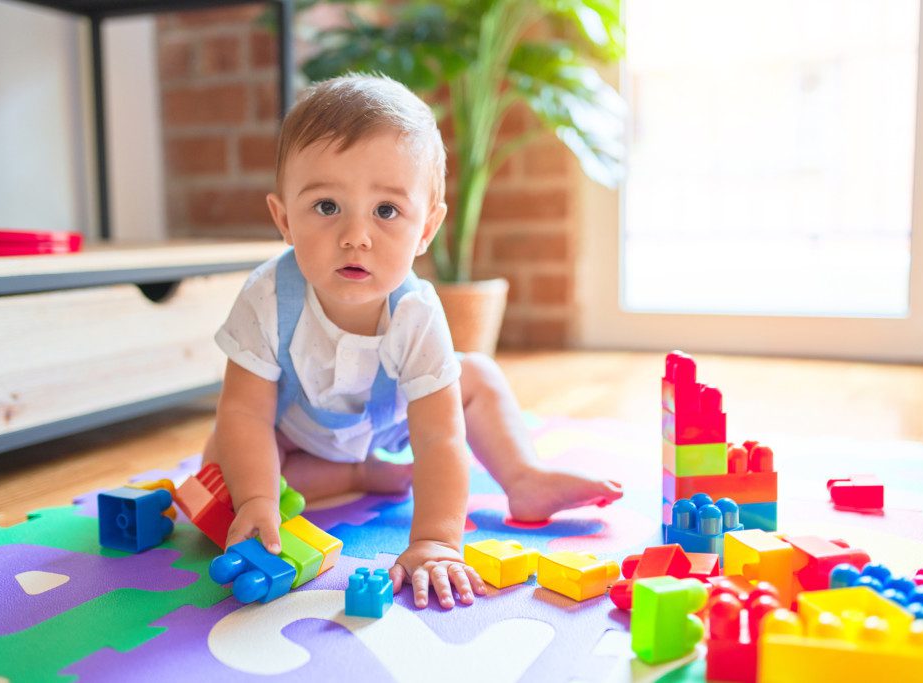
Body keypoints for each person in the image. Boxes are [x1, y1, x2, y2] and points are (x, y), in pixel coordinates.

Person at [203, 74, 623, 609]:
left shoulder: (416, 313)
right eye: (327, 207)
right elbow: (244, 413)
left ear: (426, 228)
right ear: (284, 219)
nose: (356, 235)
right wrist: (258, 500)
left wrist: (435, 542)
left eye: (386, 211)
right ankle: (358, 473)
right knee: (223, 464)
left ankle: (523, 475)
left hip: (395, 418)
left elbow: (440, 440)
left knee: (477, 375)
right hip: (297, 431)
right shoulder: (267, 297)